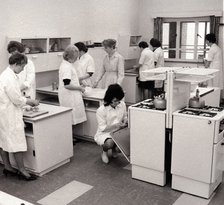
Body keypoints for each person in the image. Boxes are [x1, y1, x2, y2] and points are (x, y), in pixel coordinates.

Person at [0, 52, 39, 180]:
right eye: (22, 67)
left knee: (3, 141)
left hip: (4, 113)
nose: (22, 69)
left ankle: (7, 167)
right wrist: (29, 101)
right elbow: (16, 99)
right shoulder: (9, 78)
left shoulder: (6, 74)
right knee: (17, 143)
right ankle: (22, 171)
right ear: (16, 64)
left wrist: (23, 100)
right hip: (10, 115)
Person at [94, 84, 128, 164]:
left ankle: (114, 149)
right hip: (105, 133)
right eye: (115, 101)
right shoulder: (101, 110)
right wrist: (117, 125)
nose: (117, 103)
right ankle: (104, 151)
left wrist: (125, 121)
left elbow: (125, 116)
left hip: (118, 131)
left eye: (119, 100)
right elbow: (103, 128)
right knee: (109, 143)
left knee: (121, 149)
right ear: (109, 98)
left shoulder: (122, 104)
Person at [58, 45, 87, 125]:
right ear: (71, 56)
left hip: (68, 95)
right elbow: (67, 85)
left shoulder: (66, 64)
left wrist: (79, 82)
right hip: (70, 96)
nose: (77, 59)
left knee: (70, 118)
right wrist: (80, 88)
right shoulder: (67, 67)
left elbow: (71, 79)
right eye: (76, 57)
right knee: (71, 118)